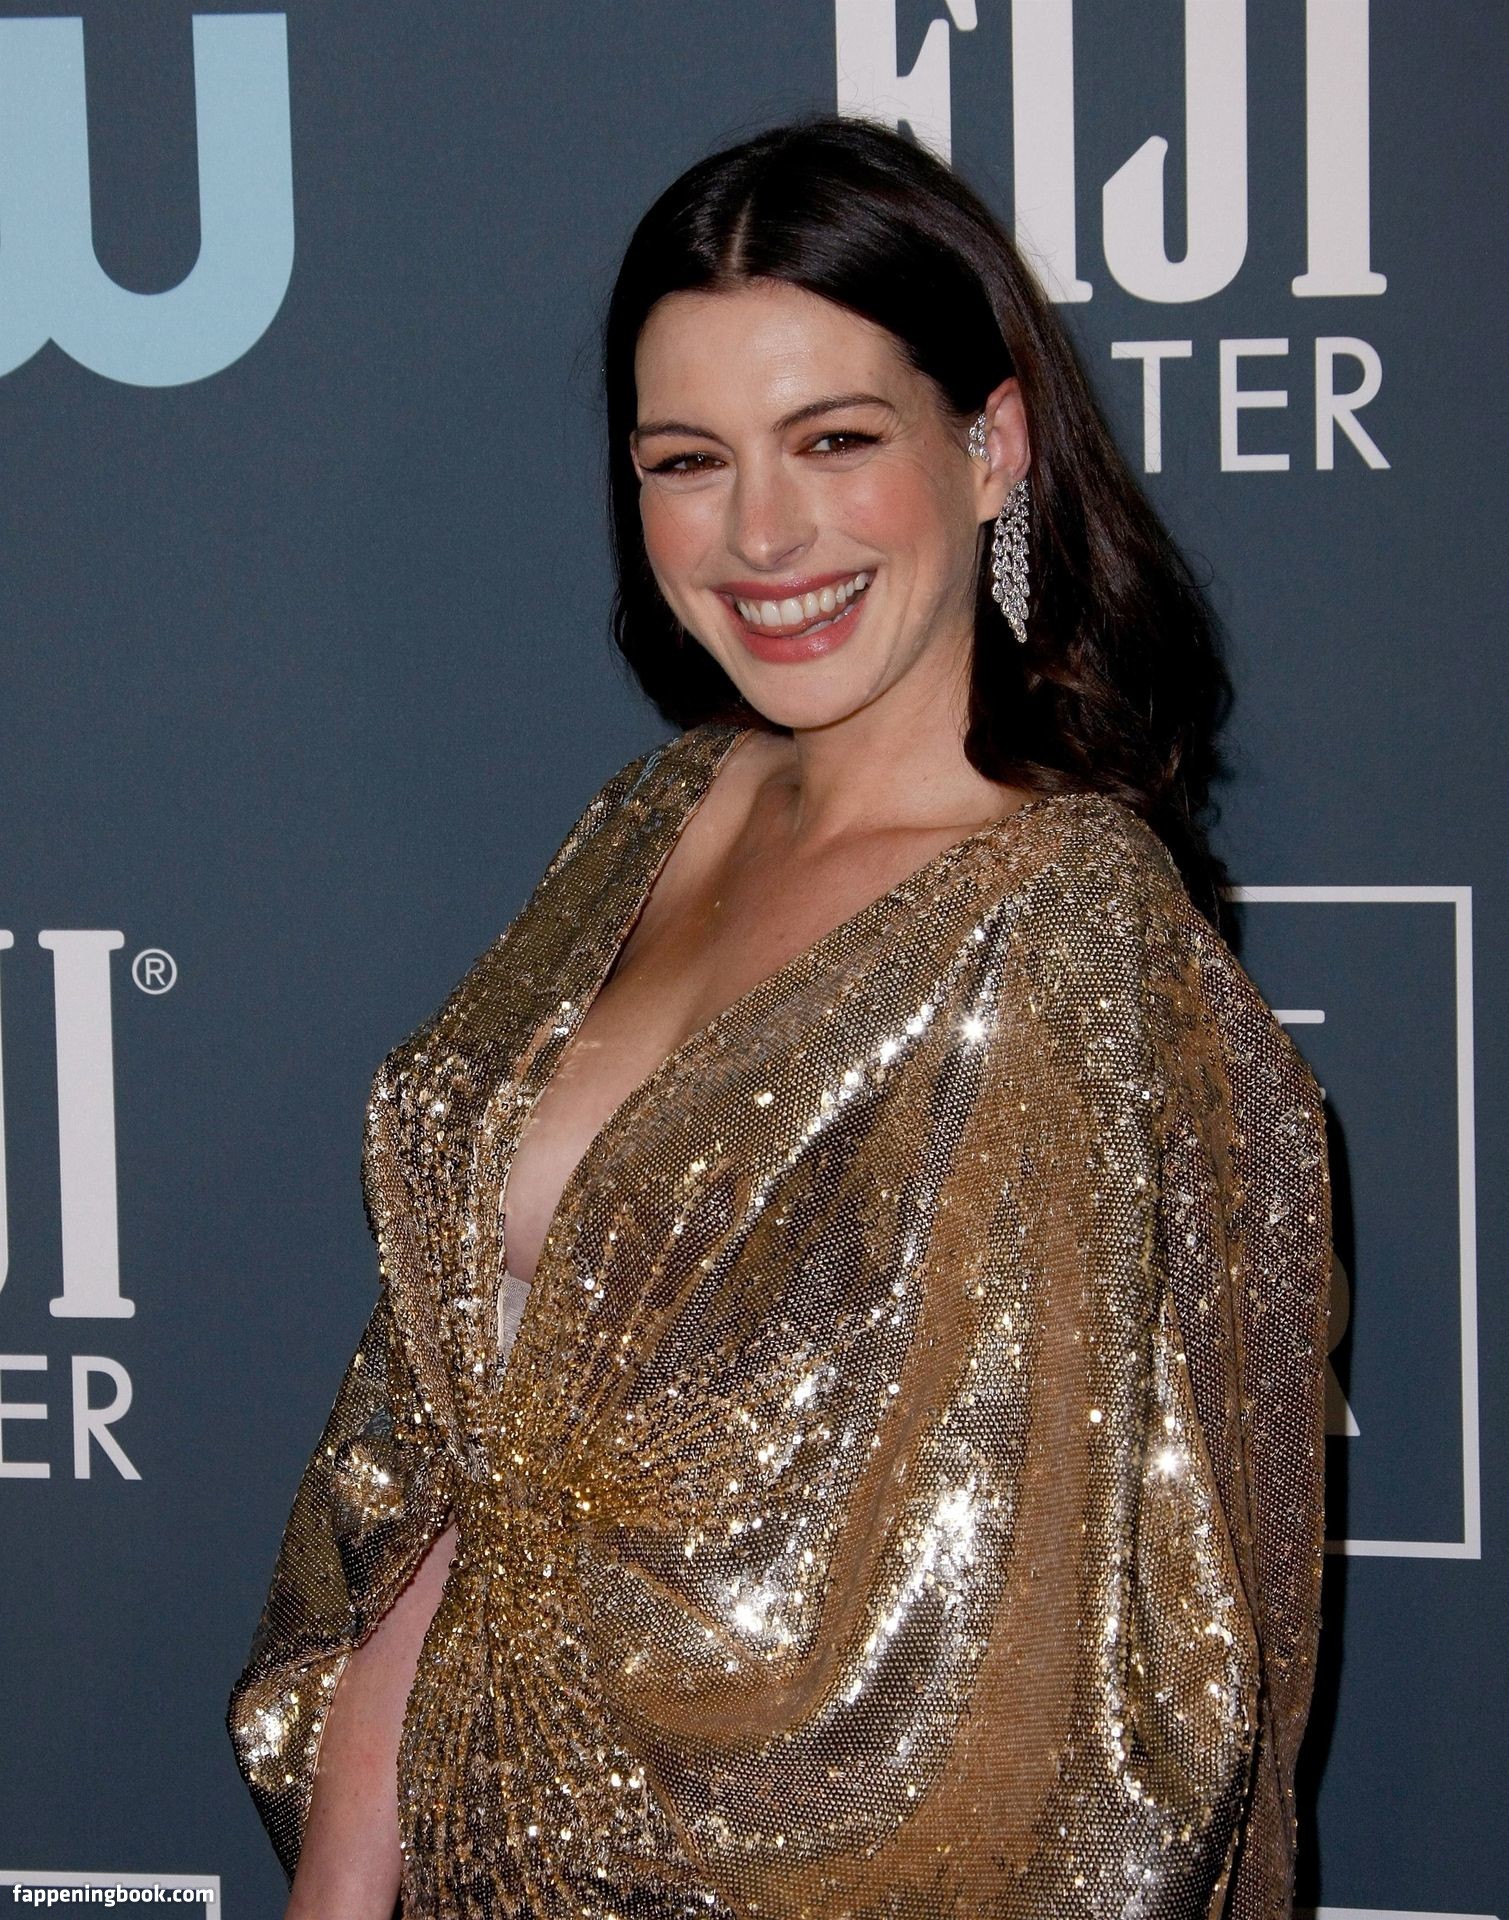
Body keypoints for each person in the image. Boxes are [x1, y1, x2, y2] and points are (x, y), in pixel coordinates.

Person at [229, 115, 1331, 1919]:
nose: (759, 533)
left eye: (835, 441)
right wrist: (349, 1877)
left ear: (991, 447)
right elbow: (472, 1443)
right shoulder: (656, 815)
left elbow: (1053, 1714)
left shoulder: (1059, 941)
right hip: (469, 1848)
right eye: (687, 460)